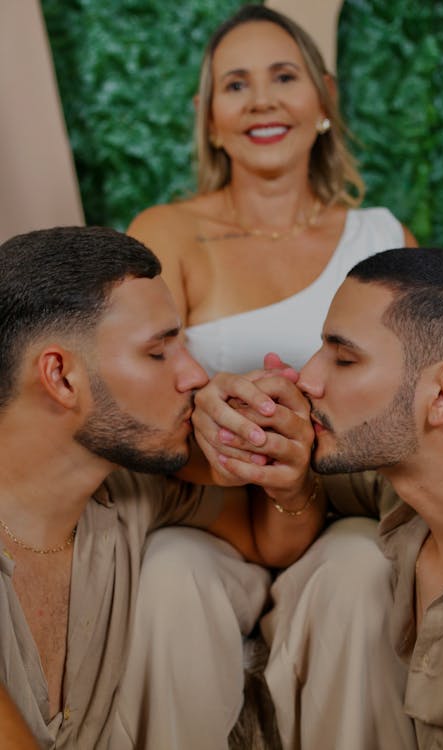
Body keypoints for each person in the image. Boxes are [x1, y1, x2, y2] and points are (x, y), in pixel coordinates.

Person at [121, 4, 418, 750]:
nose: (261, 100)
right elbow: (130, 387)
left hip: (342, 510)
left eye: (284, 77)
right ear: (210, 117)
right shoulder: (166, 232)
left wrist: (302, 474)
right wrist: (226, 437)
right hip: (201, 513)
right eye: (236, 85)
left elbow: (412, 411)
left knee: (362, 572)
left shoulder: (383, 240)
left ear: (323, 99)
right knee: (167, 573)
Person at [0, 225, 319, 750]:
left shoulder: (127, 497)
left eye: (184, 346)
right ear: (60, 376)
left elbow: (272, 540)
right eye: (158, 352)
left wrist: (285, 475)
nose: (195, 375)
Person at [202, 246, 443, 748]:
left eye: (343, 358)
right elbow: (284, 463)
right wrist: (228, 417)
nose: (309, 378)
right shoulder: (400, 483)